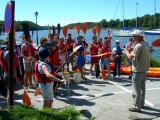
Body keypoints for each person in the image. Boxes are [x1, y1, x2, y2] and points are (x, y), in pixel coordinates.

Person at [124, 30, 150, 112]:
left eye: (135, 36)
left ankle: (136, 106)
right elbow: (139, 56)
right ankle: (141, 104)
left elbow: (130, 57)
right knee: (142, 88)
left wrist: (126, 51)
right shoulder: (146, 44)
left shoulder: (138, 46)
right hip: (144, 68)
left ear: (139, 36)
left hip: (138, 69)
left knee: (136, 88)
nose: (133, 37)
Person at [0, 38, 20, 109]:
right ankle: (9, 108)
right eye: (14, 42)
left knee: (10, 92)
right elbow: (10, 67)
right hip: (9, 76)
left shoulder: (5, 51)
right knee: (10, 93)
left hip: (7, 75)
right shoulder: (9, 53)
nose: (15, 43)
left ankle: (10, 107)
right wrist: (16, 78)